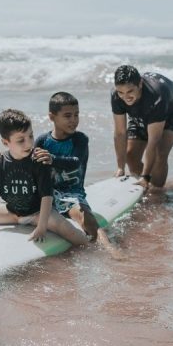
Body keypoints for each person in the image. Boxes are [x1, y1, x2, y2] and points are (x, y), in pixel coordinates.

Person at [0, 109, 89, 246]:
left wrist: (41, 227)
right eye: (21, 140)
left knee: (73, 234)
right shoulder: (0, 161)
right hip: (11, 212)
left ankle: (91, 249)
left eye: (31, 136)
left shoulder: (39, 160)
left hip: (37, 214)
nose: (28, 144)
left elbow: (47, 196)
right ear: (5, 142)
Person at [34, 92, 103, 242]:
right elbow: (29, 164)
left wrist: (52, 159)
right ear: (52, 117)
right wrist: (2, 158)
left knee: (86, 219)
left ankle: (110, 250)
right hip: (46, 195)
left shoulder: (80, 139)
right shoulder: (42, 141)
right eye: (67, 116)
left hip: (71, 195)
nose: (74, 120)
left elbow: (75, 161)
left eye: (76, 115)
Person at [111, 65, 173, 190]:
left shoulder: (156, 94)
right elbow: (120, 133)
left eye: (130, 91)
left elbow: (153, 141)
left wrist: (146, 175)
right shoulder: (116, 96)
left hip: (172, 110)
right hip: (143, 109)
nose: (126, 97)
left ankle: (157, 191)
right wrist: (120, 168)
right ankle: (144, 185)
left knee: (159, 152)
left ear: (140, 84)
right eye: (121, 92)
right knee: (130, 155)